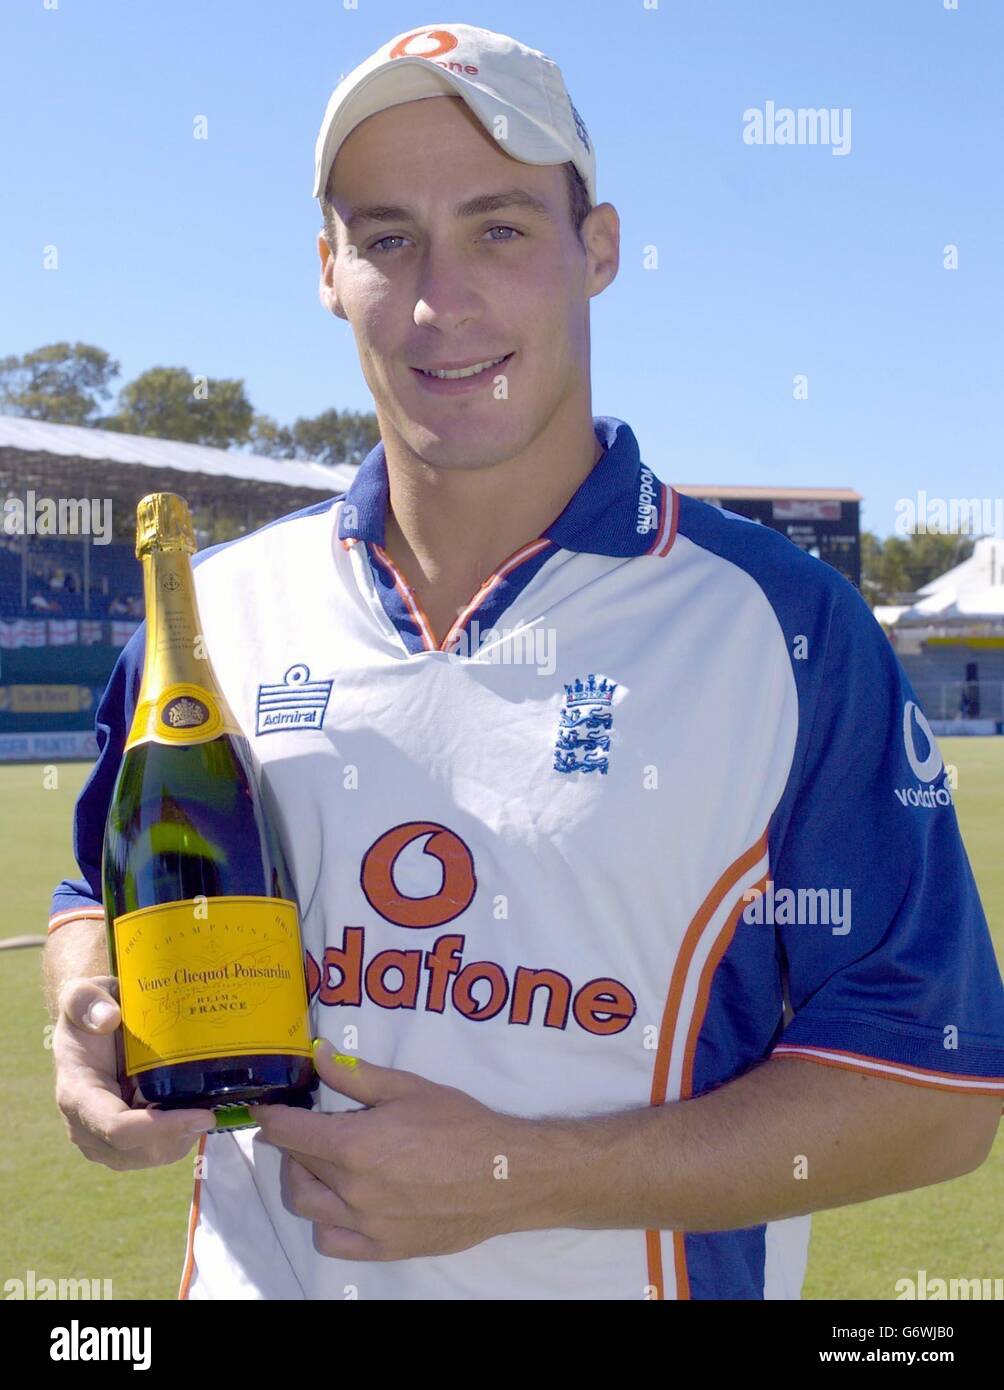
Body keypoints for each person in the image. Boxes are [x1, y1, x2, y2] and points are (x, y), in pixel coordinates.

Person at [44, 22, 1003, 1302]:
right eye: (387, 238)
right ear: (328, 271)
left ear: (594, 249)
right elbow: (92, 891)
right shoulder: (212, 612)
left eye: (498, 228)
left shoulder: (782, 631)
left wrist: (524, 1175)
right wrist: (84, 1017)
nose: (441, 301)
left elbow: (934, 1099)